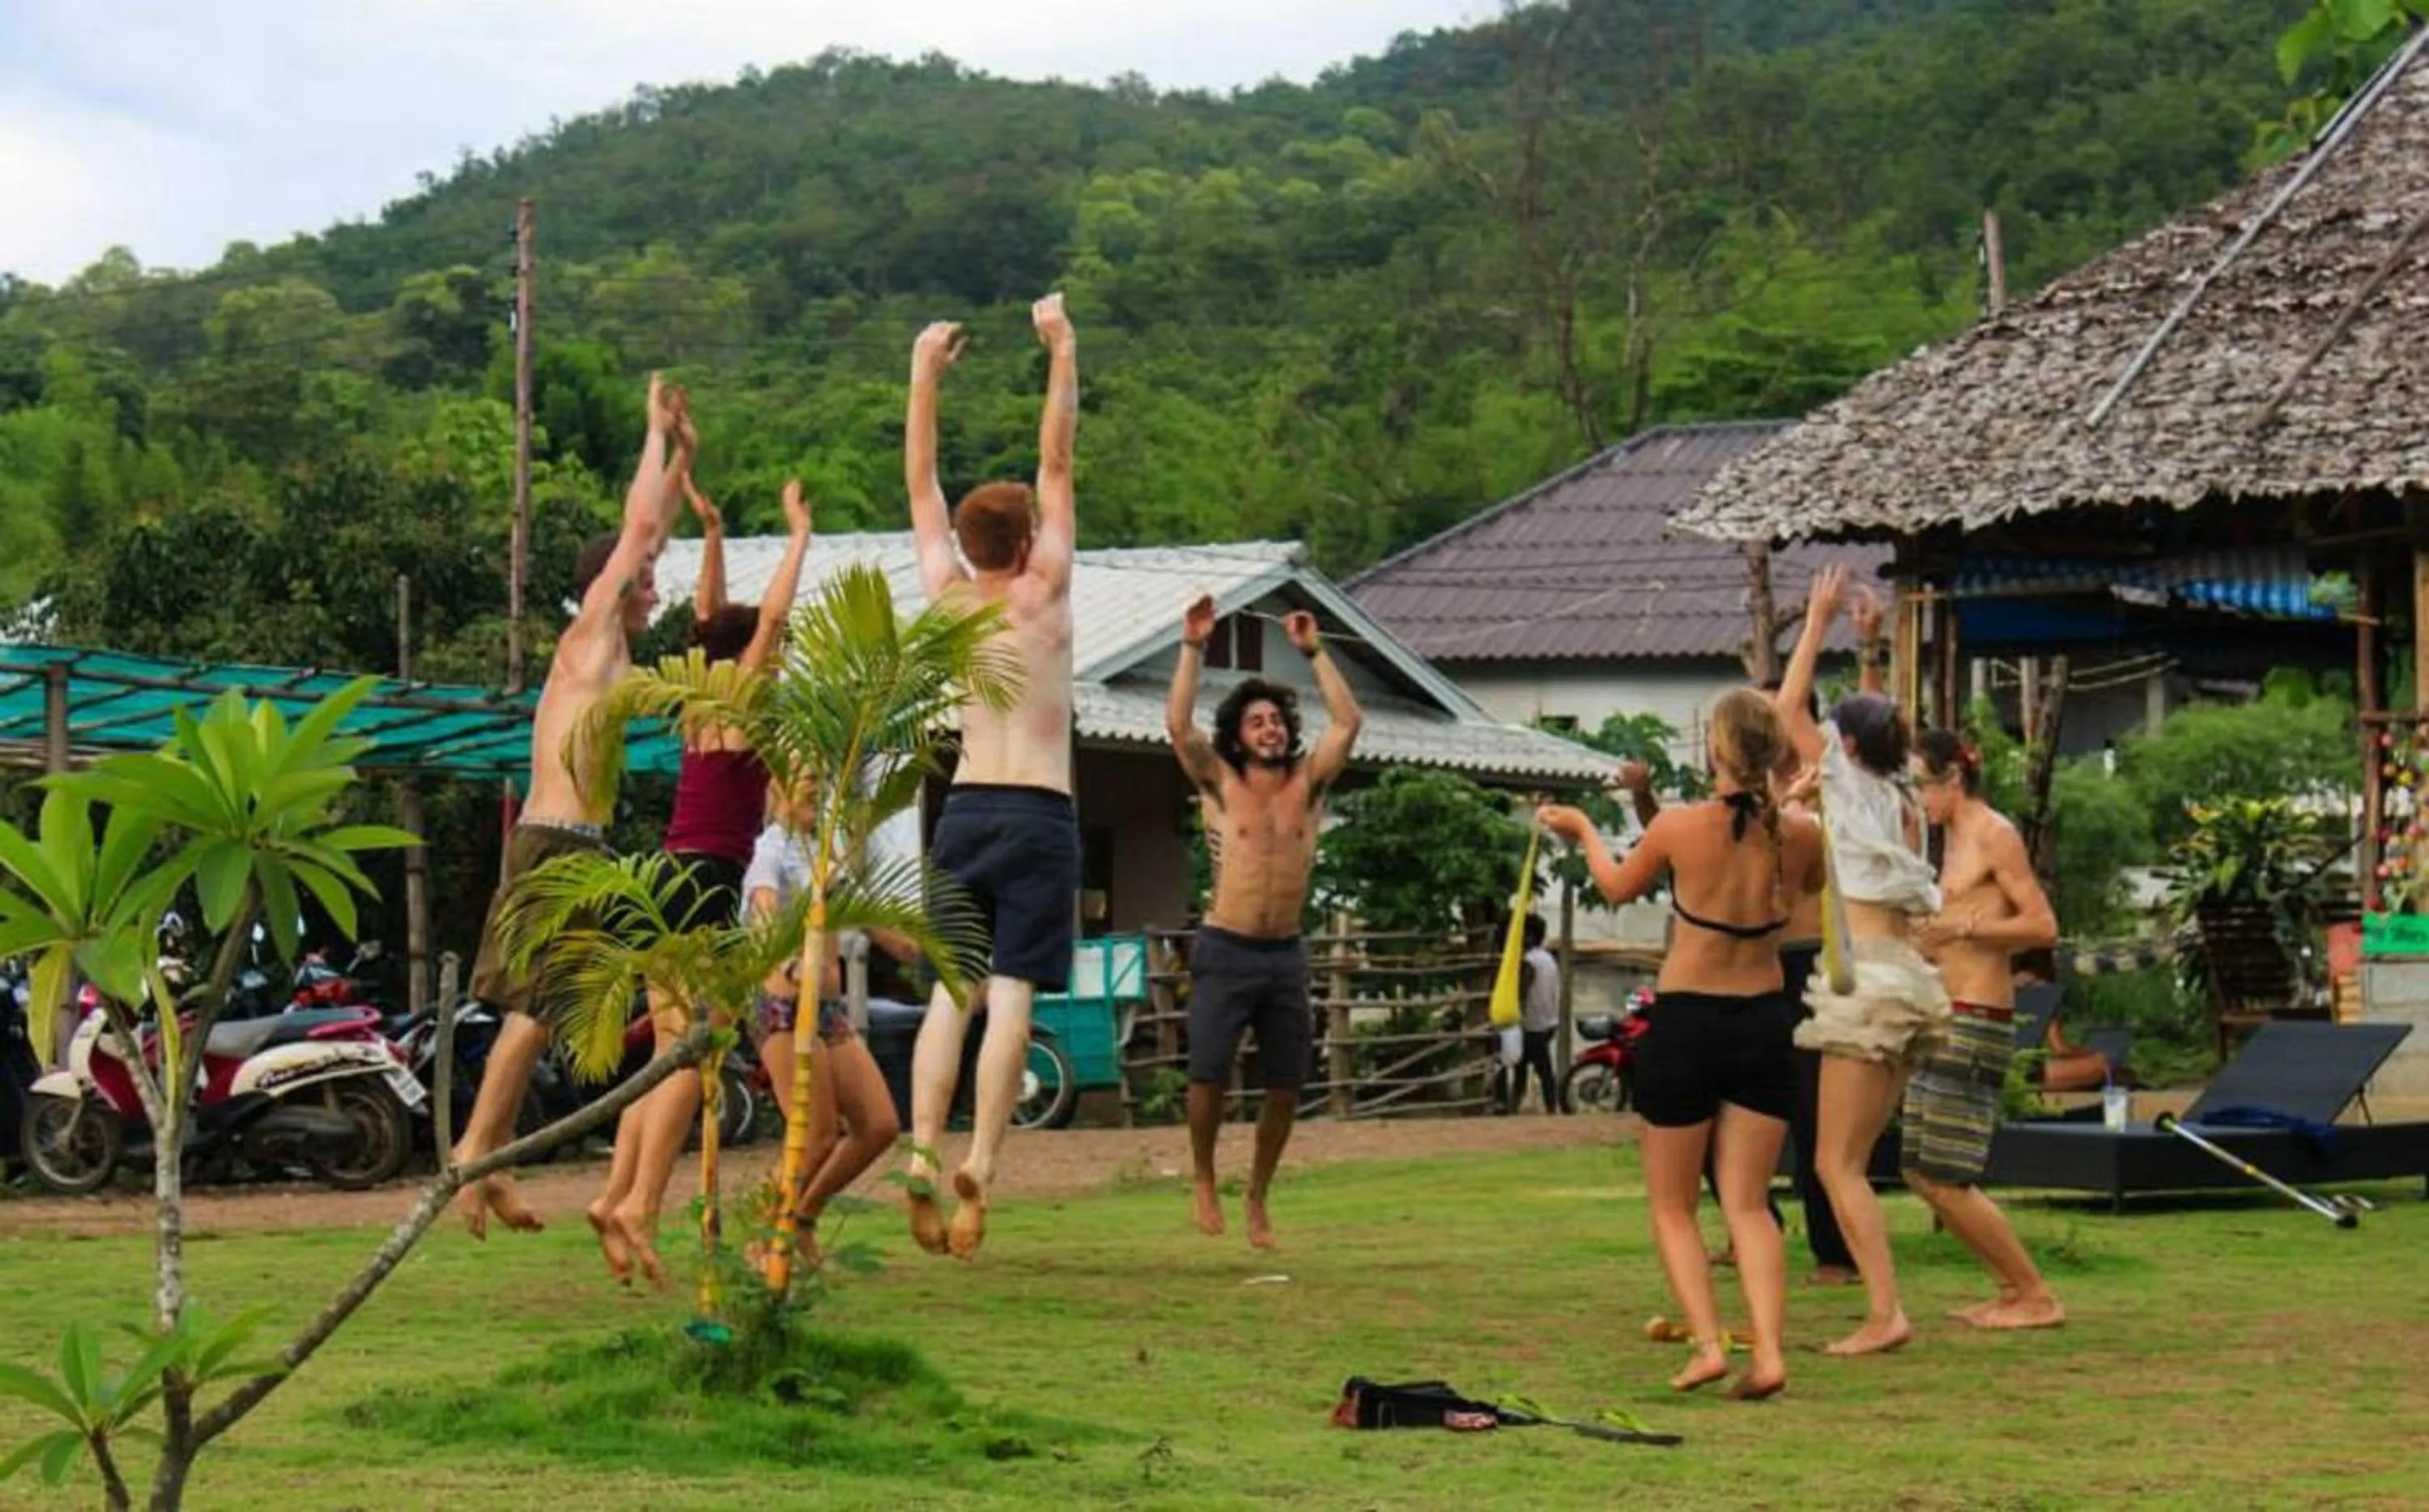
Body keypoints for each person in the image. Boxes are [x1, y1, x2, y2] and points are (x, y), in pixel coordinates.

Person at [453, 375, 692, 1239]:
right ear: (610, 584)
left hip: (580, 847)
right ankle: (474, 1160)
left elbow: (649, 527)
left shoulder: (617, 646)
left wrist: (683, 457)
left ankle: (485, 1160)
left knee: (542, 1014)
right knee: (530, 1011)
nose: (655, 586)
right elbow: (635, 531)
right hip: (554, 842)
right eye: (645, 578)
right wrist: (649, 432)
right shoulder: (589, 635)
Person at [1538, 689, 1823, 1400]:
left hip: (1689, 1021)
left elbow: (1614, 885)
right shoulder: (1803, 831)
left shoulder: (1679, 827)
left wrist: (1581, 829)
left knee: (1672, 1204)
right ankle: (1771, 1351)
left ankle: (1707, 1345)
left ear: (1715, 752)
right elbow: (1803, 889)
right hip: (1764, 1020)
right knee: (1749, 1204)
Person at [583, 474, 814, 1287]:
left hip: (663, 875)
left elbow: (714, 617)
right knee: (693, 1050)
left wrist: (715, 530)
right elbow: (765, 621)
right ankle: (642, 1202)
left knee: (668, 1052)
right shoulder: (745, 698)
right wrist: (796, 536)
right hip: (710, 879)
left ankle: (616, 1194)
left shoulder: (693, 701)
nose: (774, 659)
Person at [900, 294, 1081, 1259]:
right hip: (1040, 809)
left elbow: (921, 486)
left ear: (973, 545)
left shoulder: (948, 595)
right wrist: (1061, 348)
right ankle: (981, 1160)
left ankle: (922, 1147)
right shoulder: (1047, 588)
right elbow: (1058, 457)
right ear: (1027, 538)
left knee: (948, 991)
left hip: (963, 804)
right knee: (1012, 992)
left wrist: (923, 373)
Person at [1776, 561, 1949, 1357]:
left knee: (1834, 1161)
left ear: (1843, 746)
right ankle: (1883, 1304)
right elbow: (1882, 726)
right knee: (1852, 1158)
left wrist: (1816, 623)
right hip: (1914, 978)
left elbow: (1784, 708)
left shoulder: (1848, 785)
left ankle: (1885, 1309)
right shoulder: (1904, 791)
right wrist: (1871, 647)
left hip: (1870, 978)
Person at [1619, 711, 1856, 1285]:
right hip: (1742, 993)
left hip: (1777, 971)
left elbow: (1665, 860)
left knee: (1808, 1116)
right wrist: (1645, 796)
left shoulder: (1804, 811)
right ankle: (1754, 1255)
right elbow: (1684, 850)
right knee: (1718, 1151)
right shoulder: (1778, 821)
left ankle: (1830, 1254)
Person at [1167, 594, 1363, 1247]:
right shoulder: (1222, 782)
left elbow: (1348, 721)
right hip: (1226, 947)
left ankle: (1256, 1194)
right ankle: (1201, 1176)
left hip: (1284, 955)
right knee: (1209, 1073)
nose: (1270, 729)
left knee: (1285, 1084)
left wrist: (1314, 650)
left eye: (1277, 720)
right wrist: (1193, 645)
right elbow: (1178, 727)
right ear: (1238, 733)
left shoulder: (1309, 784)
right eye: (1256, 722)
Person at [1907, 730, 2065, 1330]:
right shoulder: (1946, 838)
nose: (1917, 796)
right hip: (1944, 1012)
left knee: (1946, 1175)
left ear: (1953, 780)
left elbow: (2042, 926)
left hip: (1978, 1016)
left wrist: (1967, 933)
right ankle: (2010, 1288)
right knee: (1920, 1170)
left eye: (1923, 783)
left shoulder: (1994, 833)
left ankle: (2034, 1293)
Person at [743, 779, 914, 1265]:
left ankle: (802, 1217)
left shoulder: (823, 853)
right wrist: (788, 956)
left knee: (878, 1126)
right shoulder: (770, 848)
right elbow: (763, 905)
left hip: (829, 1012)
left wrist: (917, 948)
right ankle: (762, 1236)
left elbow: (871, 918)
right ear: (778, 787)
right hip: (784, 1009)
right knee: (816, 1134)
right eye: (807, 781)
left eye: (822, 781)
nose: (817, 790)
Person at [1509, 916, 1567, 1115]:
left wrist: (1514, 1014)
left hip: (1533, 1024)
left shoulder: (1530, 961)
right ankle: (1519, 1106)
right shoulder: (1548, 959)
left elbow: (1522, 992)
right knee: (1525, 1066)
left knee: (1538, 1068)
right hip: (1548, 1022)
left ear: (1531, 936)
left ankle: (1548, 1107)